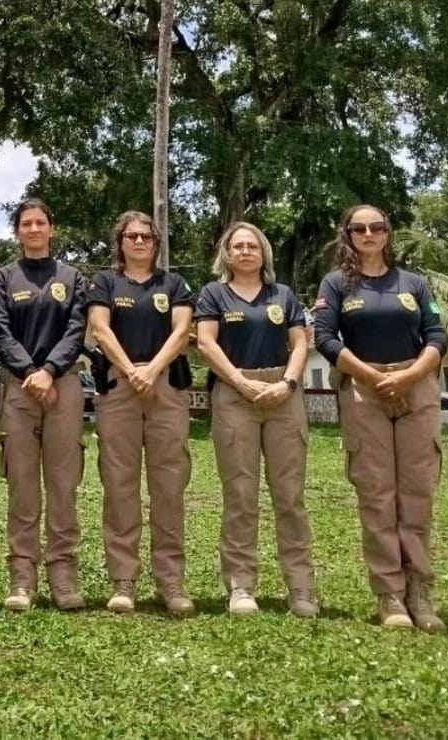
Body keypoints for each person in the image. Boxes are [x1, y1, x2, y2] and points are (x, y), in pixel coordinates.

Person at [313, 204, 447, 632]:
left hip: (416, 386)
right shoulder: (336, 284)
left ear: (388, 233)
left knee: (417, 492)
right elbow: (324, 337)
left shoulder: (414, 283)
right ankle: (389, 594)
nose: (368, 233)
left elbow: (437, 334)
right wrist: (372, 376)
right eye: (359, 228)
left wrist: (408, 376)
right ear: (348, 235)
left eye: (377, 226)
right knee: (376, 494)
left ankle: (419, 592)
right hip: (362, 390)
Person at [195, 222, 317, 618]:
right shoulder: (215, 294)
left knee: (289, 497)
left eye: (253, 246)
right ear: (227, 254)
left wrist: (288, 382)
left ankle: (300, 588)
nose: (246, 252)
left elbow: (300, 343)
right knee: (240, 498)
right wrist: (240, 382)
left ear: (263, 253)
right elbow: (206, 343)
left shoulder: (282, 295)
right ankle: (241, 585)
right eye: (238, 246)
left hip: (283, 394)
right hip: (234, 394)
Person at [87, 211, 195, 616]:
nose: (138, 242)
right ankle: (124, 580)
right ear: (120, 242)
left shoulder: (174, 284)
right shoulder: (105, 283)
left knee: (168, 487)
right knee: (119, 486)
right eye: (131, 236)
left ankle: (171, 582)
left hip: (165, 387)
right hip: (120, 387)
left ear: (156, 242)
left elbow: (182, 331)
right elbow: (100, 329)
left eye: (146, 236)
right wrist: (132, 370)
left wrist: (151, 370)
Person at [0, 198, 86, 611]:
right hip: (19, 389)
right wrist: (31, 372)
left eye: (40, 222)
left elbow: (77, 327)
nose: (33, 229)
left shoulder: (73, 277)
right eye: (25, 223)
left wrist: (50, 370)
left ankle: (63, 578)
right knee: (23, 486)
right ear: (17, 232)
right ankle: (22, 579)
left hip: (63, 386)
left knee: (63, 487)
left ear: (52, 228)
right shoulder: (3, 277)